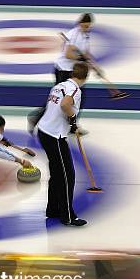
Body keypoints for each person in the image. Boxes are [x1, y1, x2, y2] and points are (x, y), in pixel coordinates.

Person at [37, 61, 89, 227]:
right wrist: (73, 118)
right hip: (55, 136)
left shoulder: (59, 86)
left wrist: (70, 124)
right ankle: (67, 216)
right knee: (67, 175)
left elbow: (54, 108)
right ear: (85, 77)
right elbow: (65, 105)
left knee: (56, 173)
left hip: (44, 131)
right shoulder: (74, 89)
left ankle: (52, 209)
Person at [54, 12, 129, 100]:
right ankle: (44, 113)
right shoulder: (73, 35)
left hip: (73, 69)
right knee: (59, 97)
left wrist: (95, 67)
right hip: (63, 69)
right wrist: (80, 59)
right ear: (80, 24)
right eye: (85, 26)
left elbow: (86, 53)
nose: (87, 29)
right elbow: (68, 55)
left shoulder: (85, 35)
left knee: (77, 96)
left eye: (89, 26)